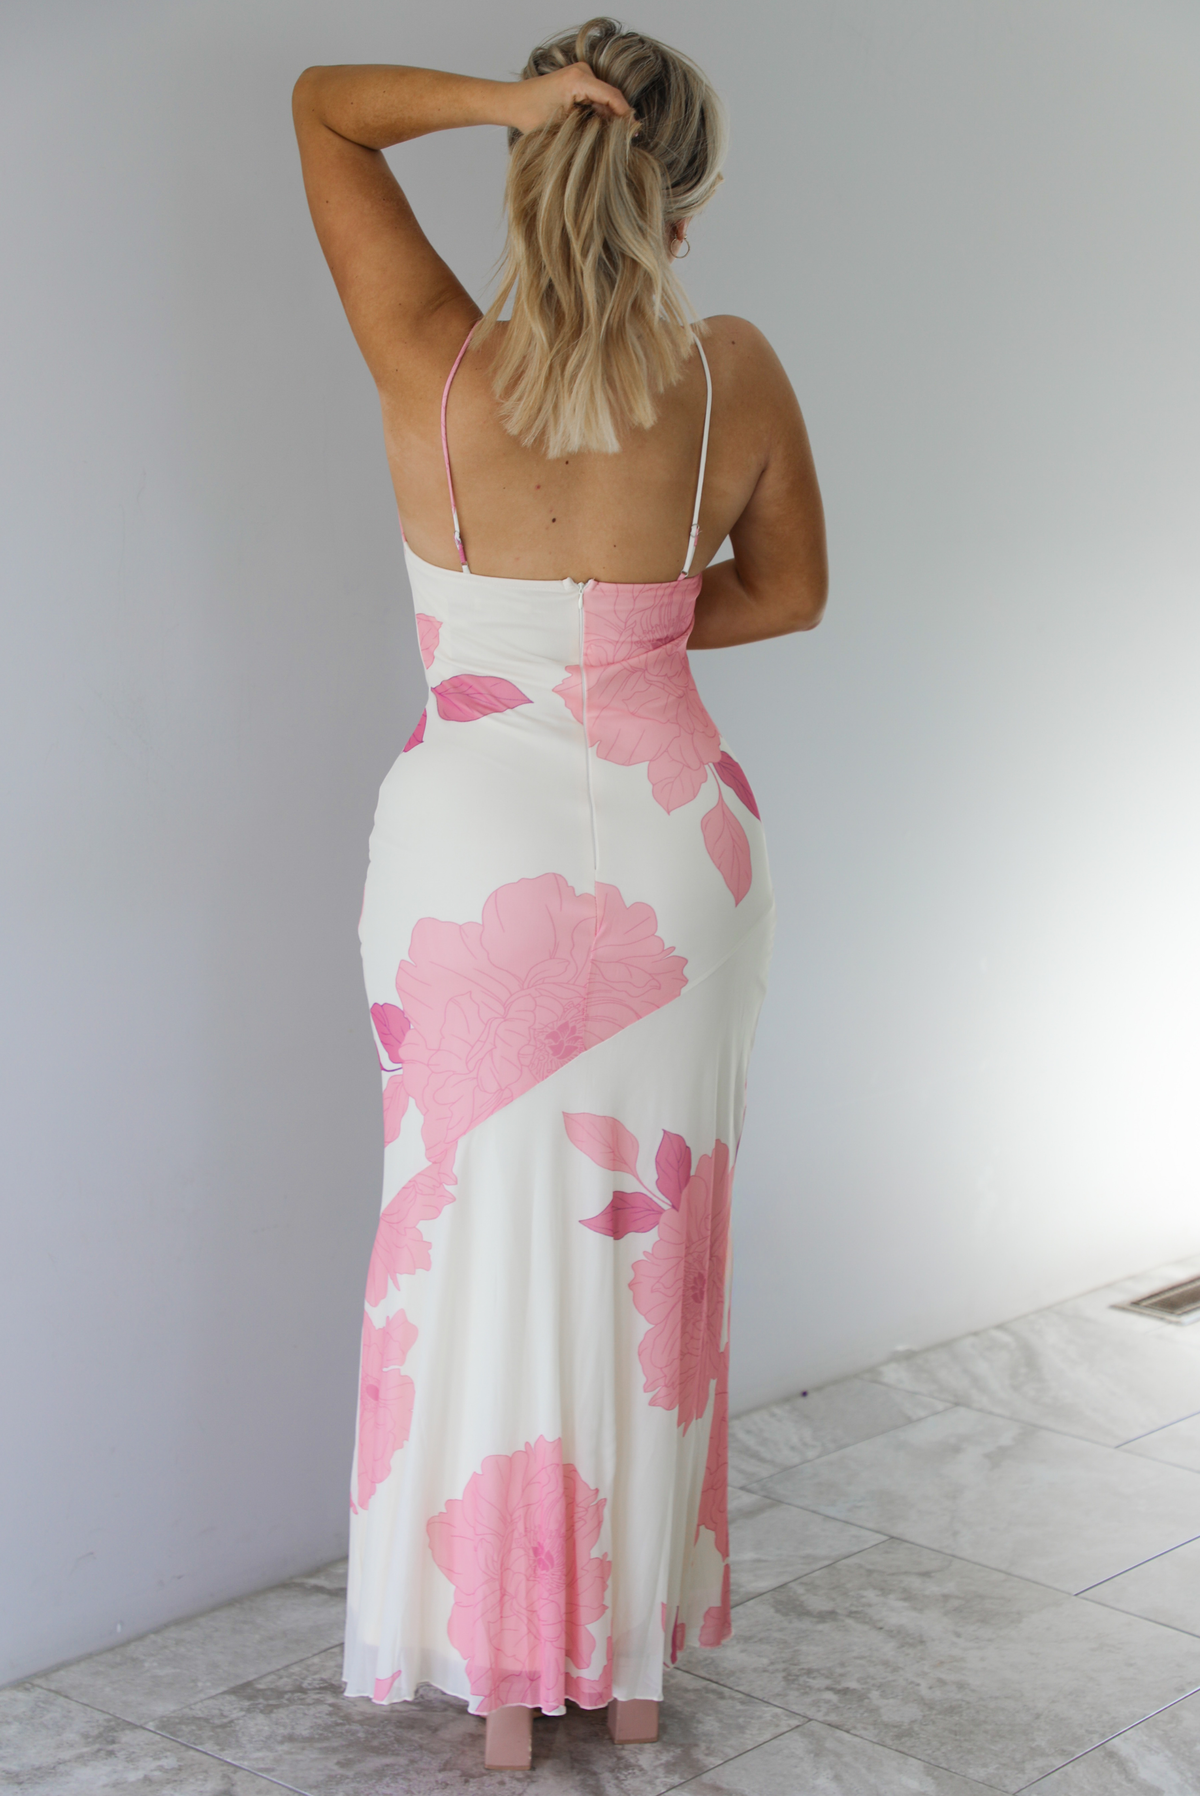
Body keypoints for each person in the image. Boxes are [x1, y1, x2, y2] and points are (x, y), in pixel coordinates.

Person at [292, 15, 826, 1773]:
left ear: (533, 163)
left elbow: (325, 110)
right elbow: (792, 592)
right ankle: (634, 1658)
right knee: (648, 1244)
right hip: (679, 842)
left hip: (466, 837)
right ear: (694, 201)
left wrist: (499, 103)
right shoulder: (731, 368)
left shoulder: (430, 354)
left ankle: (500, 1681)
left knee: (468, 1235)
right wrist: (632, 639)